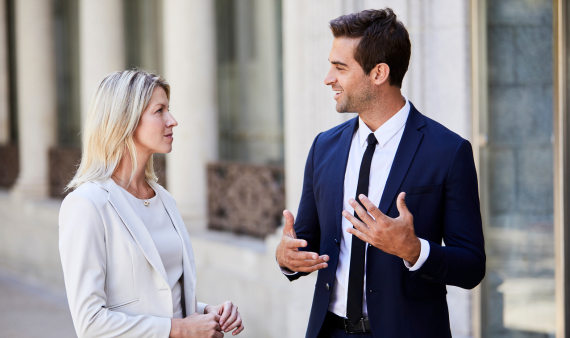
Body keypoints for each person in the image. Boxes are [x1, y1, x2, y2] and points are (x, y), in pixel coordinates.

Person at [275, 8, 485, 338]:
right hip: (329, 331)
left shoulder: (448, 152)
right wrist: (287, 257)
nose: (328, 78)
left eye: (340, 68)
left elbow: (472, 266)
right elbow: (305, 243)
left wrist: (413, 249)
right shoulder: (323, 147)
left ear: (379, 73)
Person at [59, 70, 244, 338]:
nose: (173, 121)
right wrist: (180, 330)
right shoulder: (86, 204)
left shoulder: (164, 200)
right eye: (160, 111)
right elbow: (90, 323)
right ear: (126, 120)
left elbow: (158, 299)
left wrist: (207, 314)